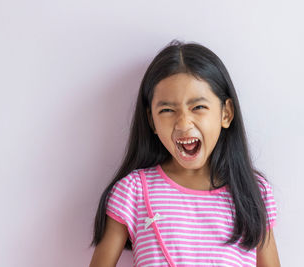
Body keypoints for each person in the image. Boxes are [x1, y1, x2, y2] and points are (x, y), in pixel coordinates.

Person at [89, 40, 281, 267]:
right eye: (167, 110)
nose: (183, 123)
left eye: (198, 107)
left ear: (226, 114)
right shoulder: (132, 192)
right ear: (152, 120)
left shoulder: (254, 192)